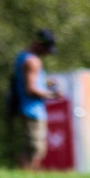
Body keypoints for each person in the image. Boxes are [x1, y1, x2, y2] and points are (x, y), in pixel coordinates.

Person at [8, 29, 59, 170]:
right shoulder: (32, 61)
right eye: (47, 49)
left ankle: (26, 176)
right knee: (35, 148)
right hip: (32, 110)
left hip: (27, 108)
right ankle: (28, 177)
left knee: (30, 147)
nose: (47, 53)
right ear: (40, 44)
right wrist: (52, 95)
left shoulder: (23, 57)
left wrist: (47, 83)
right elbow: (30, 88)